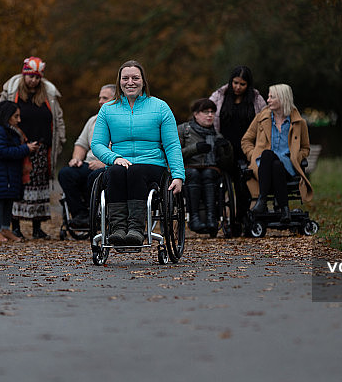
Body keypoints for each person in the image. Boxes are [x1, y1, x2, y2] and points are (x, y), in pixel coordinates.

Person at [91, 60, 184, 246]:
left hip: (152, 165)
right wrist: (114, 158)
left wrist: (178, 175)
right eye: (125, 78)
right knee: (115, 171)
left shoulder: (160, 107)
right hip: (119, 163)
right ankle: (117, 228)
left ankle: (135, 228)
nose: (130, 82)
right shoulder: (107, 110)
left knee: (135, 171)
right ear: (119, 82)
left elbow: (172, 145)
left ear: (143, 81)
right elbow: (97, 144)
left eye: (135, 78)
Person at [0, 57, 66, 239]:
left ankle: (37, 227)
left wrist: (61, 138)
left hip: (42, 149)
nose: (33, 81)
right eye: (30, 77)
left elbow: (57, 118)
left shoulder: (48, 95)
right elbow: (1, 113)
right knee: (19, 185)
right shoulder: (12, 92)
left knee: (40, 188)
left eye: (37, 77)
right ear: (24, 75)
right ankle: (15, 226)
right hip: (19, 147)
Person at [241, 83, 313, 223]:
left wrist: (298, 157)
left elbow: (305, 148)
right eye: (268, 97)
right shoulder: (261, 118)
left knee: (273, 160)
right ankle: (285, 209)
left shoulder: (299, 123)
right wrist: (253, 155)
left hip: (288, 166)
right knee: (271, 160)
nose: (267, 100)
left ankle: (262, 201)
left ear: (282, 99)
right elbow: (246, 140)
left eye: (271, 97)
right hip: (262, 167)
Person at [209, 65, 266, 234]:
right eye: (235, 83)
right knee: (220, 186)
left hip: (247, 149)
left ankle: (240, 220)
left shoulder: (256, 99)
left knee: (243, 187)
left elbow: (264, 121)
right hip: (225, 149)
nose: (238, 87)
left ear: (248, 84)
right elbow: (207, 116)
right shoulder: (219, 96)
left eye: (242, 84)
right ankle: (219, 220)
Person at [57, 84, 116, 229]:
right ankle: (81, 215)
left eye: (105, 98)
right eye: (99, 98)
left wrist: (105, 164)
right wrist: (76, 158)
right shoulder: (93, 121)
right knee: (66, 173)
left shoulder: (120, 121)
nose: (100, 101)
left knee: (96, 175)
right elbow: (81, 144)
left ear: (116, 100)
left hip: (110, 165)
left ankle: (96, 215)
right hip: (89, 162)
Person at [0, 101, 39, 242]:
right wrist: (26, 149)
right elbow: (1, 151)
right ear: (6, 116)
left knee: (7, 200)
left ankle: (5, 228)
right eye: (15, 116)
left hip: (7, 174)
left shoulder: (9, 131)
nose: (19, 120)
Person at [177, 98, 233, 234]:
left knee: (209, 174)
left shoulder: (217, 135)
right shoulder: (184, 130)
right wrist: (195, 149)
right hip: (189, 168)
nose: (210, 115)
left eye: (212, 112)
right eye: (206, 112)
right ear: (196, 114)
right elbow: (175, 154)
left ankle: (211, 218)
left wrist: (226, 149)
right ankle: (194, 218)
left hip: (211, 169)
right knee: (194, 174)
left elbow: (226, 164)